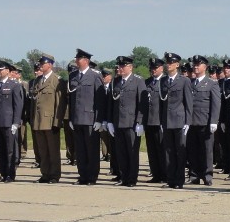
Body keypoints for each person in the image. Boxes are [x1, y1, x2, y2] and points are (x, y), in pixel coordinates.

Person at [105, 55, 145, 186]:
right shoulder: (115, 82)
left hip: (132, 122)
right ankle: (123, 177)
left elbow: (142, 103)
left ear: (130, 67)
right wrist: (109, 121)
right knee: (120, 152)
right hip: (118, 122)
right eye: (119, 66)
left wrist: (140, 122)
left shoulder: (138, 81)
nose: (120, 68)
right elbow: (111, 103)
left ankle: (132, 178)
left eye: (123, 66)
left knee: (132, 152)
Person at [67, 49, 106, 185]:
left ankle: (92, 176)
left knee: (91, 150)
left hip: (90, 119)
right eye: (76, 59)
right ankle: (82, 175)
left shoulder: (95, 76)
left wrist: (99, 119)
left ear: (86, 61)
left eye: (79, 59)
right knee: (80, 150)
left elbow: (100, 99)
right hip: (77, 118)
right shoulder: (73, 76)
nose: (77, 61)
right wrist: (71, 118)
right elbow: (72, 99)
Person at [28, 53, 66, 183]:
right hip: (38, 121)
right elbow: (34, 102)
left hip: (50, 121)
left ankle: (54, 175)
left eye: (42, 64)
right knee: (42, 150)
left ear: (49, 64)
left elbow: (59, 103)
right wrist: (32, 119)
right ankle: (45, 173)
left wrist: (57, 121)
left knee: (53, 150)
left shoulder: (57, 80)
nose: (40, 66)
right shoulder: (37, 81)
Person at [159, 52, 193, 189]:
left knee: (180, 151)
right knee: (168, 152)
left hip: (179, 120)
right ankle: (171, 179)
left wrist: (188, 122)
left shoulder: (184, 81)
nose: (168, 65)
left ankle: (179, 180)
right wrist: (161, 120)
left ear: (177, 65)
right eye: (167, 63)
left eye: (171, 63)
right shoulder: (163, 81)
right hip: (167, 121)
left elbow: (188, 102)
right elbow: (162, 103)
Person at [186, 55, 221, 186]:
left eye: (198, 65)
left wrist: (214, 121)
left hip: (205, 122)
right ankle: (194, 175)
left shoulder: (211, 83)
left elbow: (216, 103)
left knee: (207, 151)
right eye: (194, 65)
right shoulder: (189, 83)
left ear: (204, 67)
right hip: (191, 122)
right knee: (193, 150)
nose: (195, 67)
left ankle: (207, 175)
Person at [0, 59, 23, 183]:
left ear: (7, 71)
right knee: (0, 150)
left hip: (9, 122)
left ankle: (10, 174)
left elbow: (17, 105)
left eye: (0, 70)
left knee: (10, 150)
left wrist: (15, 122)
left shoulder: (14, 85)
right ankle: (2, 173)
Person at [143, 57, 166, 183]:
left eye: (155, 68)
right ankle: (156, 174)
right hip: (149, 121)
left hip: (160, 121)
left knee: (162, 150)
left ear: (161, 68)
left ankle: (164, 174)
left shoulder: (165, 81)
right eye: (151, 68)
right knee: (152, 151)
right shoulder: (147, 82)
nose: (153, 70)